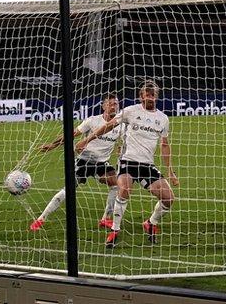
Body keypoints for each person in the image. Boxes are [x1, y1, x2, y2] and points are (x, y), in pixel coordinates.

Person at [76, 81, 179, 248]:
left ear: (156, 97)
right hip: (127, 161)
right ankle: (115, 230)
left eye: (153, 94)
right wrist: (86, 140)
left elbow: (165, 145)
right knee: (124, 190)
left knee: (169, 199)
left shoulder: (163, 119)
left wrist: (170, 171)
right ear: (141, 96)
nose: (150, 97)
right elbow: (108, 126)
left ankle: (151, 222)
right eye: (147, 94)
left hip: (147, 165)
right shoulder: (130, 111)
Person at [30, 93, 122, 231]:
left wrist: (121, 150)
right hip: (83, 162)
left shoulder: (120, 125)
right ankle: (40, 219)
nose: (113, 106)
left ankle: (105, 219)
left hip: (102, 163)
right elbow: (71, 134)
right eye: (110, 103)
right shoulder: (92, 121)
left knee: (116, 185)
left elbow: (123, 143)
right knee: (68, 190)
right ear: (103, 106)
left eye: (116, 103)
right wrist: (52, 145)